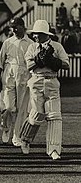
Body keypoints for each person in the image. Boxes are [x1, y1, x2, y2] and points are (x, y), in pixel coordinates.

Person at [19, 19, 69, 160]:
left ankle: (53, 149)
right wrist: (39, 59)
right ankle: (25, 140)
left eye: (38, 34)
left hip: (52, 81)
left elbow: (66, 64)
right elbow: (28, 65)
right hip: (36, 81)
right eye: (34, 34)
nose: (35, 36)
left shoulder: (57, 47)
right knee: (37, 115)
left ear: (46, 34)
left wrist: (53, 61)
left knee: (54, 116)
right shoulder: (32, 47)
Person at [0, 17, 33, 146]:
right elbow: (0, 62)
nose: (14, 30)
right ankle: (6, 128)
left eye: (16, 27)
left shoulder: (30, 43)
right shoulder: (8, 42)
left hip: (24, 74)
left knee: (21, 108)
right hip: (9, 73)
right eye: (12, 28)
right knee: (8, 106)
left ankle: (17, 135)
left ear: (23, 26)